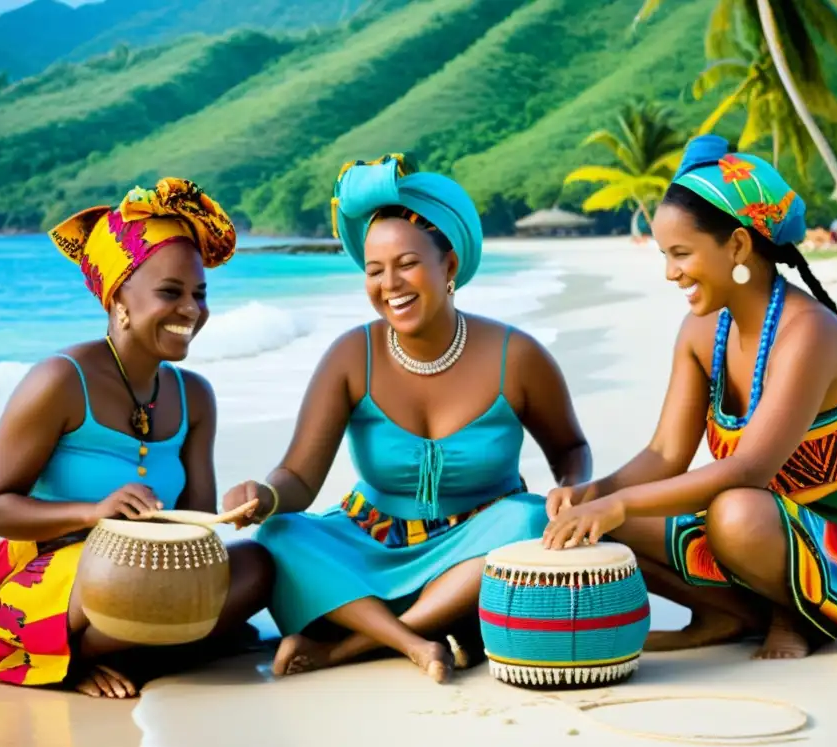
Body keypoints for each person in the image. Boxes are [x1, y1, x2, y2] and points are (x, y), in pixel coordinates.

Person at [542, 135, 837, 660]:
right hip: (763, 538)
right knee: (600, 520)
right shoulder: (702, 334)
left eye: (681, 254)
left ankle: (794, 616)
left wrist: (617, 503)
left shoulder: (808, 332)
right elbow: (664, 456)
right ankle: (726, 614)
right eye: (664, 255)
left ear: (739, 247)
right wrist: (593, 494)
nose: (670, 272)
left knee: (735, 512)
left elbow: (749, 469)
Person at [223, 155, 591, 683]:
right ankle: (416, 642)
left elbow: (571, 450)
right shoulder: (352, 356)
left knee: (528, 520)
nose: (390, 283)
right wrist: (264, 495)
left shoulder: (518, 356)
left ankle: (348, 647)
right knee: (282, 534)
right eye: (374, 271)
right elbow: (300, 477)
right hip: (368, 545)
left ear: (449, 267)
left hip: (474, 551)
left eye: (407, 264)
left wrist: (573, 490)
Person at [0, 179, 273, 698]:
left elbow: (195, 529)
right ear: (119, 298)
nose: (191, 310)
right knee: (116, 567)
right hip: (47, 590)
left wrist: (234, 512)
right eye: (170, 293)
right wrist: (94, 512)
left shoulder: (194, 395)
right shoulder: (59, 381)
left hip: (148, 576)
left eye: (199, 294)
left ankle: (146, 652)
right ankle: (77, 660)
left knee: (259, 565)